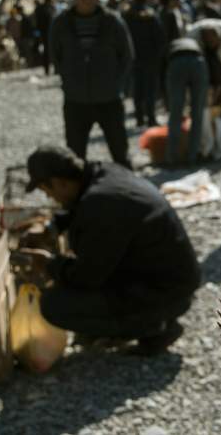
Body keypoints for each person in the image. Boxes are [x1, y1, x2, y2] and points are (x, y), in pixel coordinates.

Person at [18, 145, 200, 355]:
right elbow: (78, 207)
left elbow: (86, 277)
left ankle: (154, 328)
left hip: (166, 291)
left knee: (53, 305)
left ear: (60, 182)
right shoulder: (103, 174)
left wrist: (49, 264)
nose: (51, 198)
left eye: (47, 190)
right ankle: (127, 323)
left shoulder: (102, 205)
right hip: (167, 277)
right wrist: (52, 227)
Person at [49, 0, 134, 168]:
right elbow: (56, 56)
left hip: (109, 99)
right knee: (75, 157)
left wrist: (116, 85)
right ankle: (79, 198)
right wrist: (69, 81)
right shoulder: (61, 23)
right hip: (76, 100)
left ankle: (127, 194)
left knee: (120, 152)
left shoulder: (112, 21)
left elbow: (127, 56)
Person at [124, 0, 167, 127]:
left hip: (133, 58)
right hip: (150, 59)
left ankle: (139, 118)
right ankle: (151, 118)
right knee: (150, 90)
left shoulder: (126, 15)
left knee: (137, 89)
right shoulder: (151, 15)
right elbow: (160, 38)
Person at [164, 37, 208, 165]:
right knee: (197, 113)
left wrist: (167, 101)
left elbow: (162, 71)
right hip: (198, 62)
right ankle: (192, 157)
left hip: (176, 63)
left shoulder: (171, 44)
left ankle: (172, 158)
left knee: (175, 114)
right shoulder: (196, 41)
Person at [35, 0, 55, 75]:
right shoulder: (49, 9)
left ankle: (47, 69)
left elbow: (37, 23)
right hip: (47, 34)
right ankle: (49, 69)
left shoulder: (40, 9)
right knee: (49, 51)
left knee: (46, 52)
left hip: (44, 34)